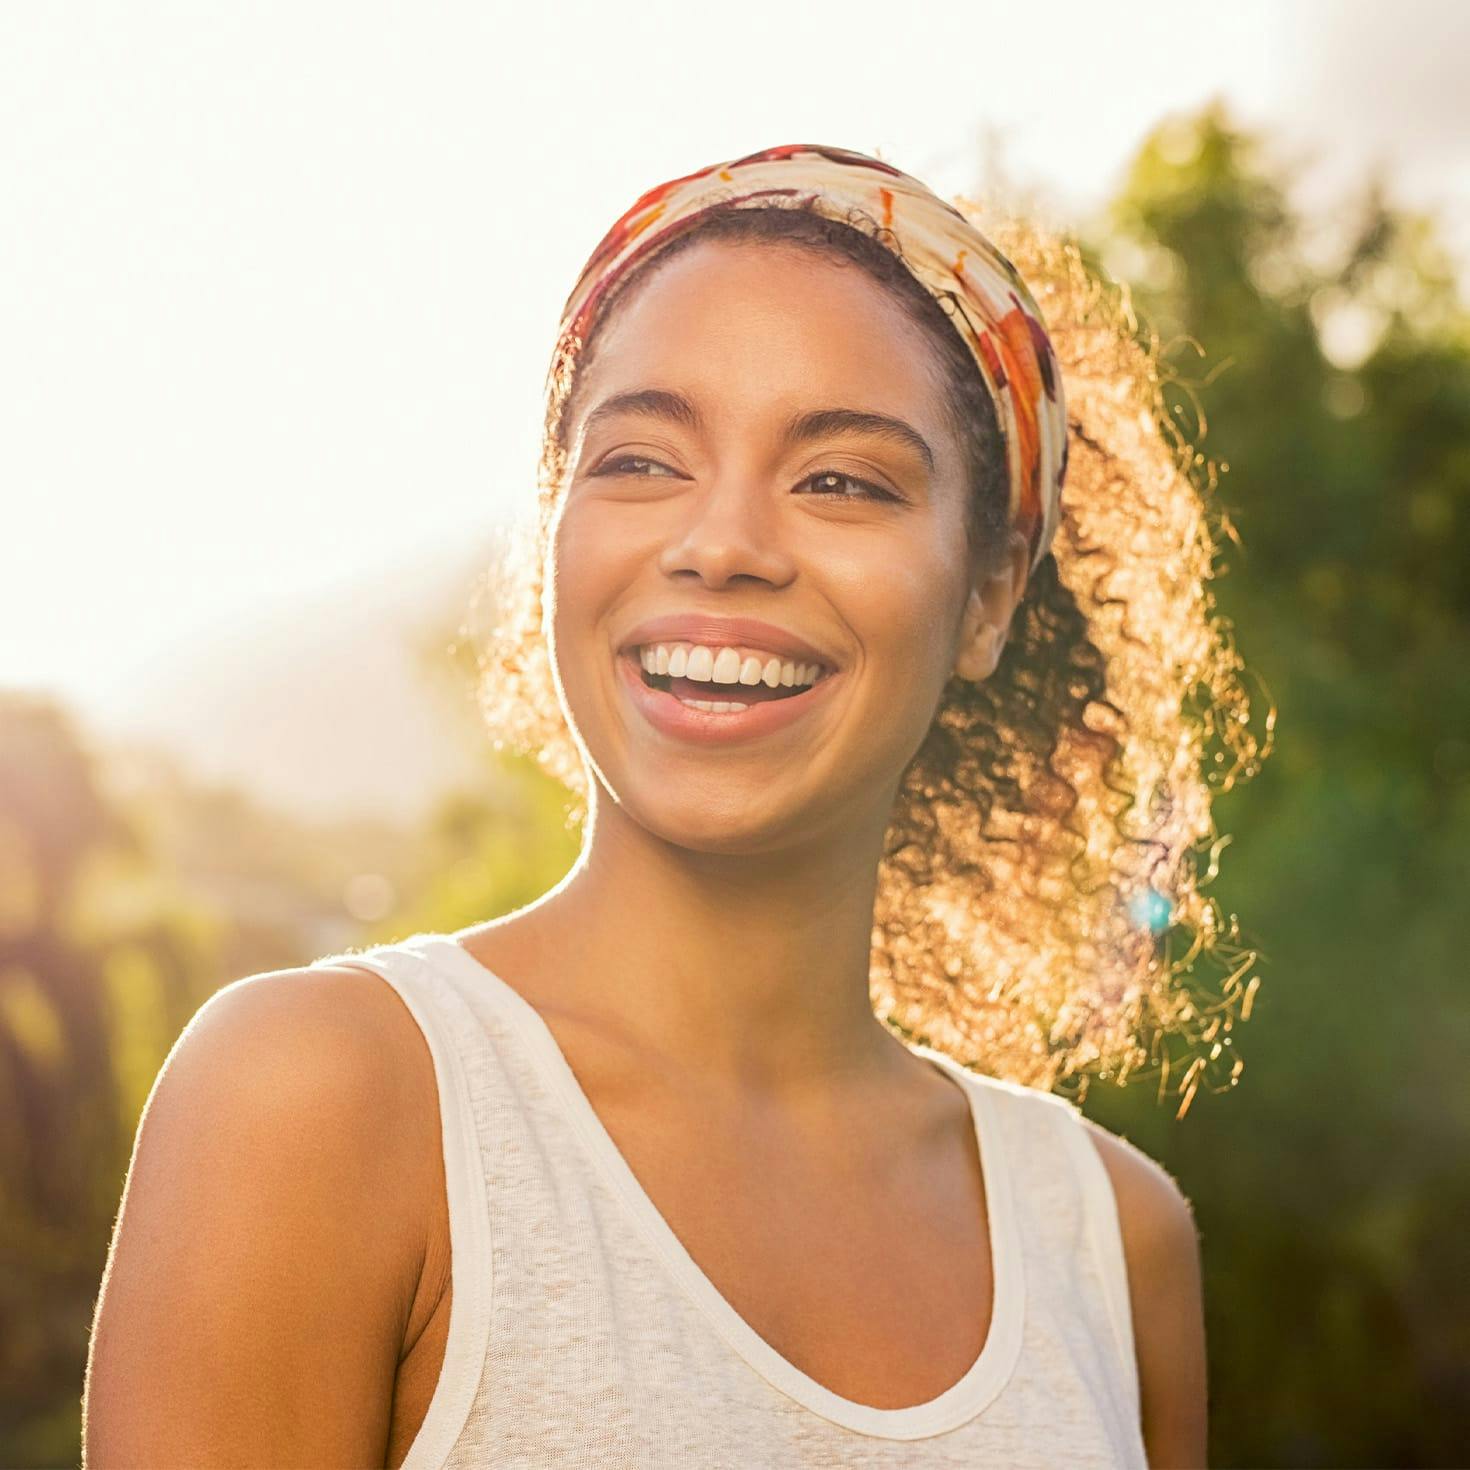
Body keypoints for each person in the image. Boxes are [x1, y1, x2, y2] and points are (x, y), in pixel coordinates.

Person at [84, 143, 1262, 1468]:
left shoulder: (1110, 1240)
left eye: (841, 480)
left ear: (986, 594)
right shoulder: (321, 1097)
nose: (719, 543)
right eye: (640, 460)